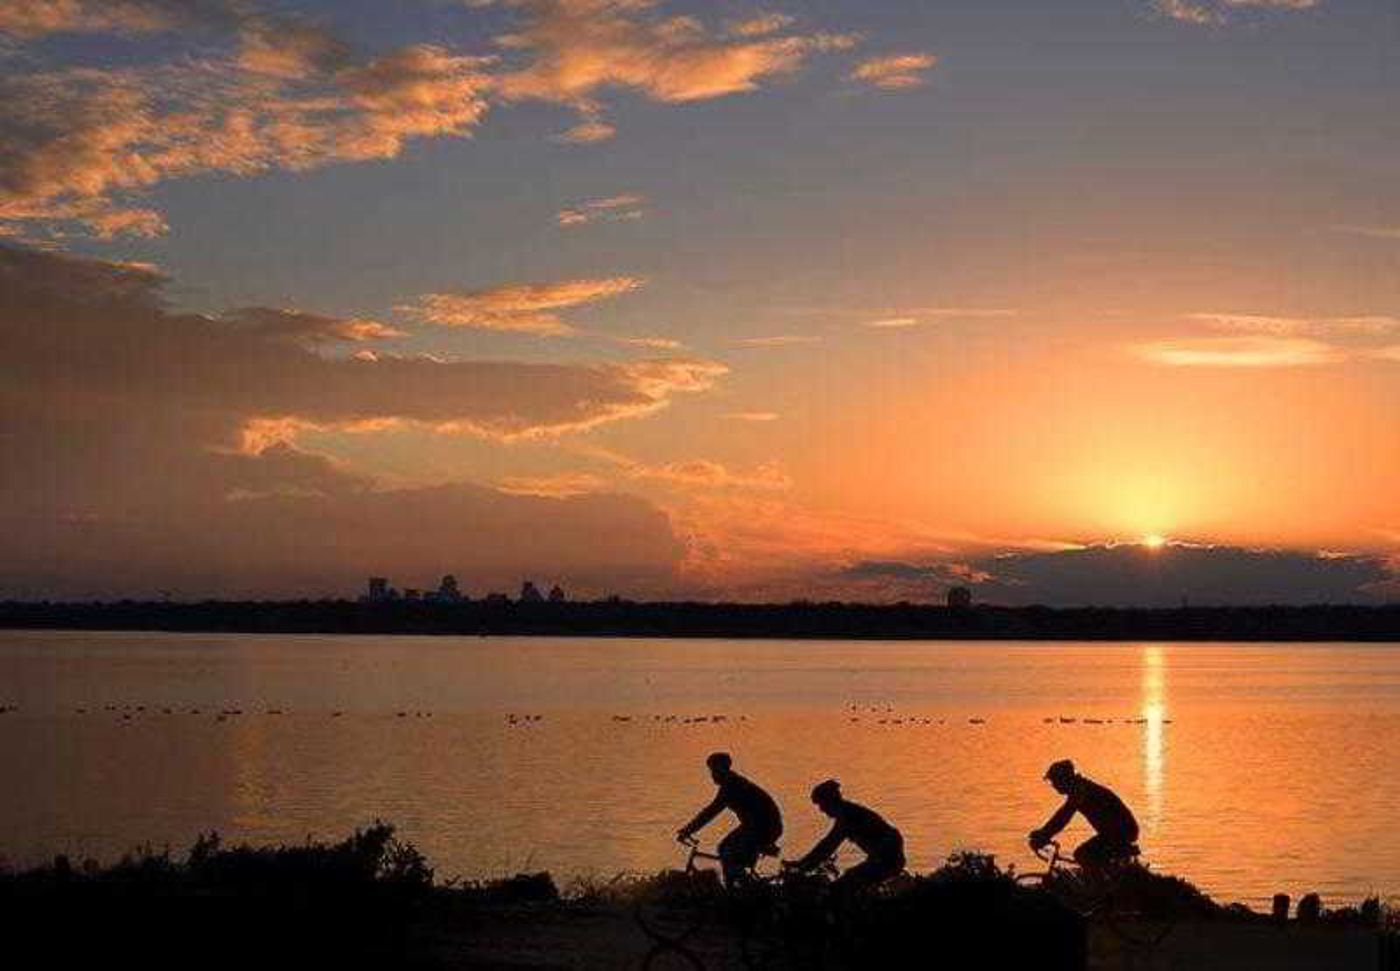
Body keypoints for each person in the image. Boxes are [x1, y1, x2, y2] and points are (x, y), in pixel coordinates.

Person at [676, 752, 783, 887]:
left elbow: (711, 812)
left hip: (764, 827)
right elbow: (711, 811)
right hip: (757, 825)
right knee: (724, 849)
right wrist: (689, 829)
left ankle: (742, 888)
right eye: (711, 771)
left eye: (714, 770)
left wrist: (688, 830)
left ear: (723, 769)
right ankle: (735, 884)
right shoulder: (732, 783)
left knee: (729, 853)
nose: (712, 775)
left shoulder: (731, 786)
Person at [788, 780, 905, 898]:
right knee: (850, 882)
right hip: (886, 858)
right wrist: (802, 864)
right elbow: (827, 845)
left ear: (830, 801)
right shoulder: (848, 811)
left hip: (887, 860)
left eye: (821, 805)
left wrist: (803, 866)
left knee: (840, 888)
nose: (821, 810)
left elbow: (828, 846)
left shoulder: (847, 816)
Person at [1029, 759, 1140, 871]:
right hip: (1117, 831)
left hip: (1122, 831)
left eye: (1054, 781)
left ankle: (1098, 887)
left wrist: (1044, 834)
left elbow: (1063, 816)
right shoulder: (1079, 788)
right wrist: (1043, 832)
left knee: (1082, 855)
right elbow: (1062, 814)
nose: (1053, 785)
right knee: (1089, 858)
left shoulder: (1080, 790)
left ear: (1064, 779)